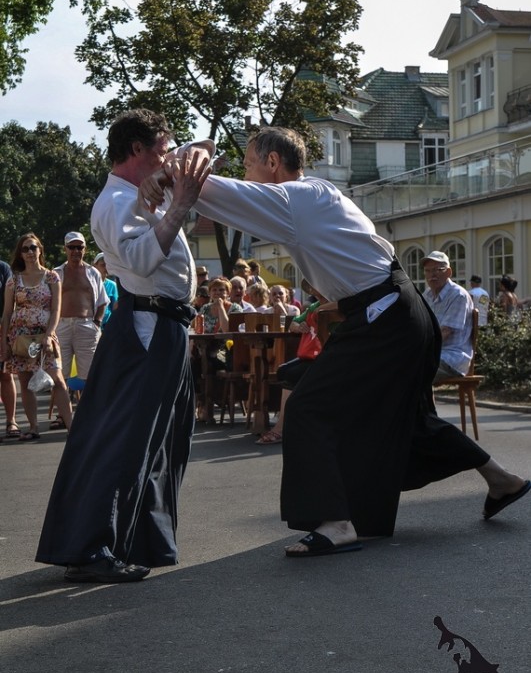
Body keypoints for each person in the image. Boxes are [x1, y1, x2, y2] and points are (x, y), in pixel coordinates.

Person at [142, 125, 529, 557]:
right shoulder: (315, 195)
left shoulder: (295, 199)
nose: (246, 175)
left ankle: (336, 523)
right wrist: (179, 164)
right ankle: (503, 479)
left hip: (387, 317)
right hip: (395, 312)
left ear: (273, 162)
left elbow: (210, 188)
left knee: (307, 407)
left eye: (249, 165)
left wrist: (165, 172)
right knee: (407, 419)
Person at [36, 109, 212, 583]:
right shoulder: (115, 201)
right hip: (148, 327)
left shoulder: (141, 189)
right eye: (162, 149)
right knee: (125, 441)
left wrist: (169, 174)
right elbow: (140, 258)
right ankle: (91, 548)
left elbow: (206, 148)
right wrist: (178, 206)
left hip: (163, 324)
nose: (169, 156)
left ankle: (133, 539)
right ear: (137, 149)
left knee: (158, 441)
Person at [0, 233, 72, 440]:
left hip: (44, 336)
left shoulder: (51, 277)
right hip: (20, 337)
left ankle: (72, 428)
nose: (30, 252)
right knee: (25, 382)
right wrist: (4, 341)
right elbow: (7, 313)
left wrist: (49, 335)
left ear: (40, 250)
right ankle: (33, 428)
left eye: (33, 247)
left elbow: (56, 309)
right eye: (25, 249)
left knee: (58, 380)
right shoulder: (14, 280)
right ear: (20, 254)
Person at [51, 232, 108, 429]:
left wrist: (96, 323)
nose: (76, 251)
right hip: (61, 326)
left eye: (79, 247)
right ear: (65, 249)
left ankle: (90, 416)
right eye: (72, 247)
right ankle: (63, 416)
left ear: (85, 249)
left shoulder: (93, 273)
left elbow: (102, 301)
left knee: (90, 374)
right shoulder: (56, 273)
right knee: (59, 374)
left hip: (86, 325)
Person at [257, 284, 327, 445]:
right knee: (282, 371)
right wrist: (298, 326)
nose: (312, 290)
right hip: (312, 355)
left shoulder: (334, 304)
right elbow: (293, 323)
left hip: (327, 356)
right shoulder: (314, 306)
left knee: (292, 374)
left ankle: (281, 428)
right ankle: (291, 419)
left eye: (314, 286)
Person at [422, 251, 474, 384]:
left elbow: (444, 332)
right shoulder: (427, 295)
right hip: (433, 355)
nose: (432, 275)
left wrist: (417, 348)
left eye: (437, 270)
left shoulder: (458, 295)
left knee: (412, 370)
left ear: (449, 272)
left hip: (452, 358)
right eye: (428, 271)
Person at [0, 259, 20, 441]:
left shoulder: (3, 268)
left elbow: (10, 302)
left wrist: (6, 332)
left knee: (6, 375)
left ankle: (11, 421)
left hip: (1, 328)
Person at [93, 253, 119, 328]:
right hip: (91, 324)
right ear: (95, 266)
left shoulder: (112, 285)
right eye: (103, 265)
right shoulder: (89, 283)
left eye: (108, 265)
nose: (106, 268)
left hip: (107, 325)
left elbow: (114, 307)